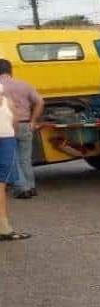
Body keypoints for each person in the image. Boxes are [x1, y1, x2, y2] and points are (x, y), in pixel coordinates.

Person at [0, 59, 44, 199]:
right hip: (26, 124)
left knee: (12, 158)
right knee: (25, 158)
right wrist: (33, 121)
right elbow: (40, 102)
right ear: (10, 70)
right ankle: (31, 186)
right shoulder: (24, 84)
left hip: (7, 126)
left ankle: (22, 188)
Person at [0, 82, 30, 241]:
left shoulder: (7, 100)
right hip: (5, 140)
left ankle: (4, 227)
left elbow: (15, 122)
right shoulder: (7, 100)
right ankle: (4, 228)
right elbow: (15, 122)